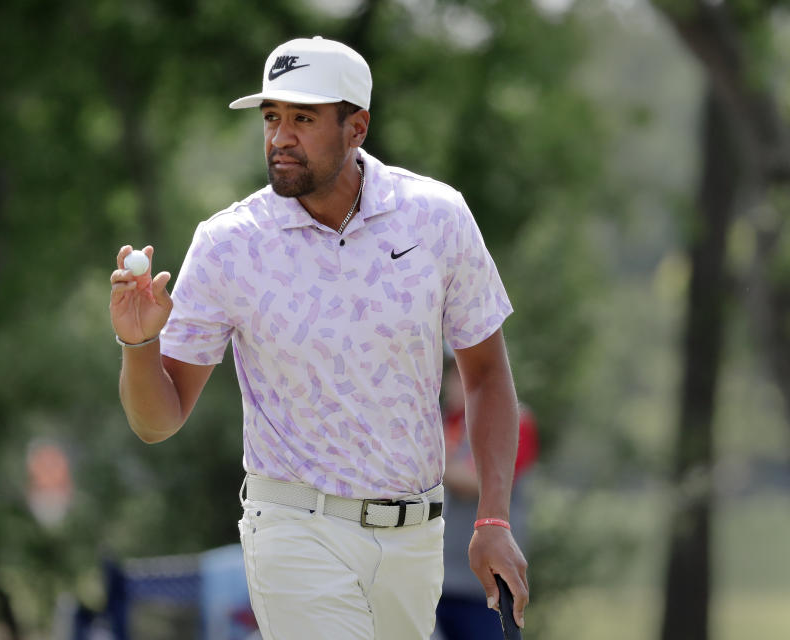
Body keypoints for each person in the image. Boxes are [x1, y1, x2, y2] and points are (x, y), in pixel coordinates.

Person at [109, 36, 528, 640]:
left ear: (356, 127)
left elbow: (486, 375)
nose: (280, 137)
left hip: (415, 539)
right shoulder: (229, 243)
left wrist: (492, 517)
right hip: (294, 528)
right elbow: (157, 420)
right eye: (272, 118)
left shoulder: (437, 218)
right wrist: (139, 345)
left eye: (303, 119)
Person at [435, 357, 538, 639]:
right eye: (454, 373)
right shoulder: (441, 423)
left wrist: (427, 461)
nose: (458, 382)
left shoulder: (515, 421)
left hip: (485, 584)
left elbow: (477, 482)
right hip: (437, 578)